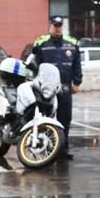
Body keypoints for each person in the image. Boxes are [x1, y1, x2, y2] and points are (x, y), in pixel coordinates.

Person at [26, 15, 81, 159]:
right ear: (50, 26)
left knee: (65, 118)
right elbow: (33, 63)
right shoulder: (41, 43)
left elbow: (77, 65)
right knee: (45, 116)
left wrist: (77, 82)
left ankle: (62, 149)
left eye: (60, 25)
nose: (57, 28)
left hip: (64, 86)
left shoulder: (72, 43)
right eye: (55, 25)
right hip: (45, 87)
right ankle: (46, 147)